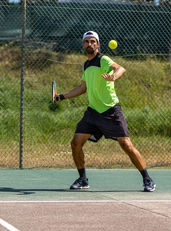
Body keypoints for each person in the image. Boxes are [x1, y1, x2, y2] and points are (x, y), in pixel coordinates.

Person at [54, 31, 156, 192]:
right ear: (83, 45)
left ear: (98, 44)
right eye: (87, 41)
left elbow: (121, 68)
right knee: (76, 143)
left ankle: (147, 179)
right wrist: (62, 96)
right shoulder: (86, 65)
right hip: (93, 112)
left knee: (126, 145)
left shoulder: (103, 59)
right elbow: (82, 88)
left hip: (110, 111)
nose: (90, 44)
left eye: (93, 41)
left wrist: (113, 76)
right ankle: (83, 179)